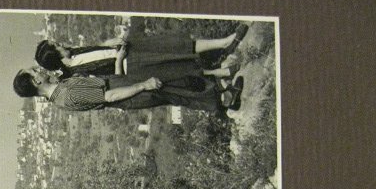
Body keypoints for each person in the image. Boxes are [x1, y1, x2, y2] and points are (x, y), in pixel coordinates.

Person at [31, 23, 248, 109]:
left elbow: (100, 50)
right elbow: (111, 84)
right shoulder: (73, 74)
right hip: (133, 69)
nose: (60, 43)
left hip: (132, 53)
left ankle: (224, 47)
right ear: (55, 58)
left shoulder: (76, 52)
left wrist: (111, 44)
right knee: (177, 78)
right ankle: (221, 90)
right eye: (56, 46)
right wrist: (119, 59)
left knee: (176, 47)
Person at [13, 66, 237, 113]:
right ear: (36, 83)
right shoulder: (66, 95)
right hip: (124, 93)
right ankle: (223, 102)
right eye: (35, 73)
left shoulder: (60, 92)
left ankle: (217, 91)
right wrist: (141, 85)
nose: (39, 70)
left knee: (171, 84)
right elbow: (108, 96)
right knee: (173, 94)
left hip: (120, 86)